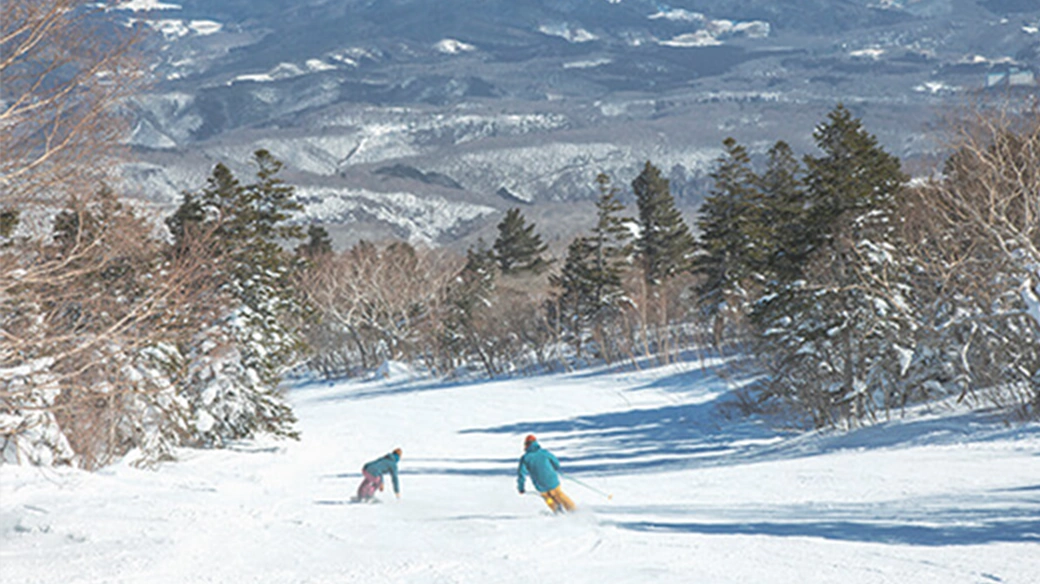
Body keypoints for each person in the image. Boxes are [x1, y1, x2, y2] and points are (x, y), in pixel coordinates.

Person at [516, 434, 576, 513]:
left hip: (540, 485)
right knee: (559, 495)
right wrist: (554, 468)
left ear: (527, 445)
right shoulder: (544, 453)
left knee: (548, 499)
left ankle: (558, 512)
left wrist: (521, 488)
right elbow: (556, 463)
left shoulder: (525, 458)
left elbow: (521, 474)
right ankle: (573, 510)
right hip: (552, 480)